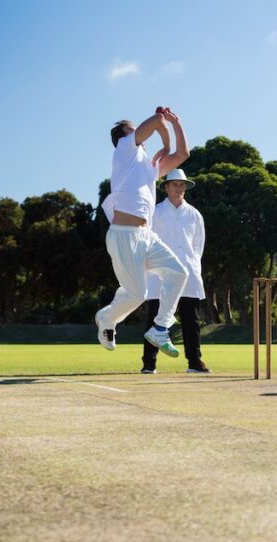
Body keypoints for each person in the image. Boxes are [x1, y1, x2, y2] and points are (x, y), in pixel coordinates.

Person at [95, 107, 190, 359]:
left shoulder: (148, 167)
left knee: (178, 272)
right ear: (123, 138)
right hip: (124, 234)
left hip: (146, 235)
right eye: (133, 131)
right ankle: (106, 317)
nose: (139, 135)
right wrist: (165, 139)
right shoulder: (125, 151)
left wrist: (176, 123)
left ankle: (160, 328)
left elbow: (183, 154)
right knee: (137, 294)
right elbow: (158, 121)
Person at [141, 169, 209, 374]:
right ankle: (149, 363)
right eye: (174, 185)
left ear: (185, 188)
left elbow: (198, 245)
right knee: (155, 317)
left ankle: (195, 362)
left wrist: (193, 265)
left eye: (181, 185)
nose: (178, 188)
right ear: (166, 187)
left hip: (188, 272)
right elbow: (146, 240)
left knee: (191, 320)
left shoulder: (195, 214)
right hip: (160, 272)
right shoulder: (155, 211)